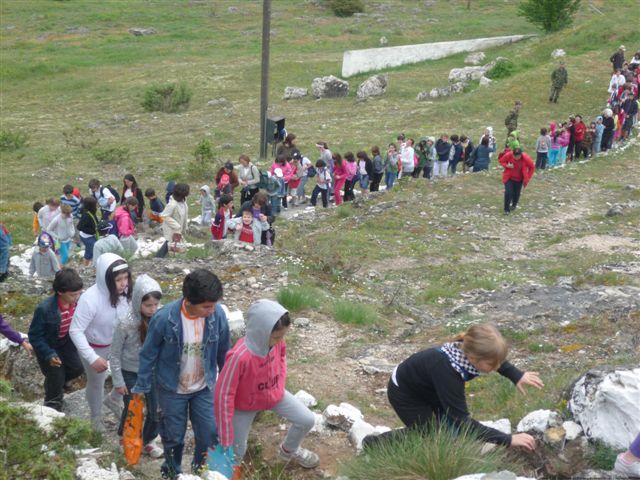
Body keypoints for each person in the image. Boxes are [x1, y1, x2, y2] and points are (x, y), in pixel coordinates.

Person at [362, 324, 543, 452]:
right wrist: (508, 439)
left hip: (429, 388)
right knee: (430, 434)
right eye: (491, 364)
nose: (496, 367)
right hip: (405, 393)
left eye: (498, 363)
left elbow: (495, 358)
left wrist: (516, 375)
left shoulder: (467, 353)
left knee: (450, 433)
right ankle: (374, 443)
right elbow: (463, 422)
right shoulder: (449, 372)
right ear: (473, 358)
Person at [132, 269, 230, 479]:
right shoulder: (164, 318)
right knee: (173, 437)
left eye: (213, 305)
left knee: (208, 434)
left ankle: (199, 470)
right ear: (189, 301)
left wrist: (228, 383)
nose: (212, 310)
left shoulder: (217, 316)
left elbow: (223, 351)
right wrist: (141, 386)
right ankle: (172, 472)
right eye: (206, 306)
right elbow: (148, 354)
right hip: (171, 389)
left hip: (204, 387)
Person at [215, 300, 319, 469]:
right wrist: (225, 436)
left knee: (306, 419)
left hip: (274, 395)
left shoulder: (278, 343)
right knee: (236, 451)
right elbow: (223, 395)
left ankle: (289, 451)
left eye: (283, 336)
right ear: (260, 332)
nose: (280, 341)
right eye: (277, 337)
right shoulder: (239, 357)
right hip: (244, 406)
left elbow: (282, 358)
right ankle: (225, 472)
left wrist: (279, 384)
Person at [69, 253, 131, 432]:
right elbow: (75, 329)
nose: (123, 283)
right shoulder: (90, 299)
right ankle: (96, 416)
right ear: (106, 279)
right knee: (97, 381)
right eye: (118, 279)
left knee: (129, 373)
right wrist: (92, 357)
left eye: (126, 277)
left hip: (118, 344)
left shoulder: (126, 293)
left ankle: (114, 400)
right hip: (95, 347)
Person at [110, 274, 163, 458]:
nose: (153, 309)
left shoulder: (159, 318)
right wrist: (118, 380)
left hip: (154, 372)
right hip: (130, 372)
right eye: (148, 305)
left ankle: (148, 440)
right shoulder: (125, 323)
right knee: (134, 408)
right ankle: (124, 437)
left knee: (156, 410)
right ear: (137, 302)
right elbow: (114, 354)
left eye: (156, 304)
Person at [28, 269, 83, 411]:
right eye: (72, 295)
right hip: (49, 346)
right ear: (60, 292)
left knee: (77, 368)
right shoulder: (45, 309)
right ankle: (52, 409)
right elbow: (35, 336)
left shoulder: (78, 303)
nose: (76, 297)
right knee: (56, 376)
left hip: (66, 343)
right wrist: (48, 354)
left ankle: (54, 384)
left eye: (79, 293)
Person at [157, 183, 189, 258]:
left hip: (178, 228)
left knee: (173, 244)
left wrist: (185, 227)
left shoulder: (184, 202)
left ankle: (161, 257)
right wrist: (176, 226)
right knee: (170, 242)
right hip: (171, 228)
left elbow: (185, 215)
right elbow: (164, 215)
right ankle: (158, 257)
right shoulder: (172, 204)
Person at [499, 148, 535, 215]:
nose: (516, 157)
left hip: (519, 179)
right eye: (515, 156)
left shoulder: (526, 158)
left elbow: (532, 167)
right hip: (509, 177)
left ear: (521, 155)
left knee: (516, 194)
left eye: (518, 156)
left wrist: (527, 177)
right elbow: (501, 161)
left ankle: (514, 205)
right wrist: (507, 165)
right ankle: (506, 209)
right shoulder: (509, 155)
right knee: (508, 192)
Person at [77, 196, 99, 267]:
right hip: (87, 236)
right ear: (91, 206)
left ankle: (87, 264)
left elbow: (94, 220)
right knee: (90, 251)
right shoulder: (86, 215)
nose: (97, 205)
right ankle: (85, 266)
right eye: (95, 204)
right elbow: (79, 227)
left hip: (91, 236)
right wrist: (92, 231)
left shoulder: (91, 212)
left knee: (90, 249)